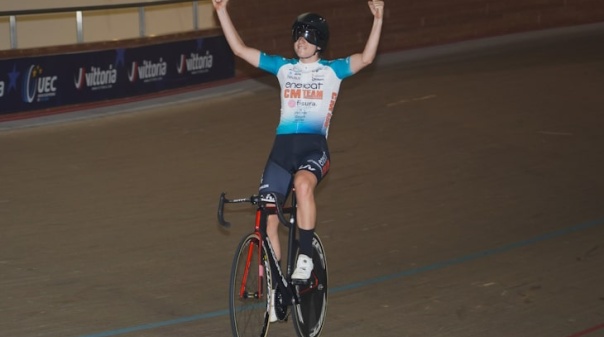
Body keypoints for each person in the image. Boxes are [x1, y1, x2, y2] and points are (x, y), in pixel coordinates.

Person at [212, 0, 384, 319]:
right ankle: (278, 289)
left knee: (303, 186)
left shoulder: (332, 71)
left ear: (319, 41)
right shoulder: (283, 68)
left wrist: (378, 18)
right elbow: (239, 50)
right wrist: (222, 11)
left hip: (312, 151)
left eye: (306, 36)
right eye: (296, 36)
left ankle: (305, 256)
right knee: (268, 222)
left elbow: (368, 57)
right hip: (280, 155)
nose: (299, 41)